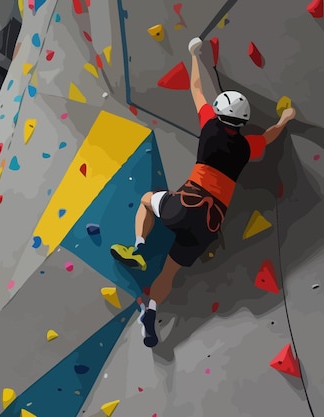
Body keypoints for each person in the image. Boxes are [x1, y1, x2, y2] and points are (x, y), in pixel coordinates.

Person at [110, 37, 297, 348]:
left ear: (221, 113)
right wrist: (285, 119)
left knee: (147, 200)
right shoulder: (247, 146)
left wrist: (194, 55)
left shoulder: (209, 125)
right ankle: (151, 311)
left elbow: (196, 88)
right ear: (242, 122)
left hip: (184, 204)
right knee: (169, 273)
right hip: (209, 226)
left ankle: (139, 247)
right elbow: (270, 136)